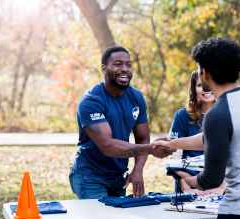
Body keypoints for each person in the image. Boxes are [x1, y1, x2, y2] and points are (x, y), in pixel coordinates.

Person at [154, 37, 240, 219]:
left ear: (204, 73)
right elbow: (210, 138)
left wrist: (187, 180)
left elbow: (211, 178)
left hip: (238, 215)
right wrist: (171, 144)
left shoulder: (217, 114)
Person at [69, 45, 175, 203]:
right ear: (104, 69)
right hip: (90, 177)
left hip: (119, 177)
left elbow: (142, 137)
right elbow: (107, 145)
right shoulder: (91, 101)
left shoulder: (136, 97)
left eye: (128, 64)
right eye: (118, 64)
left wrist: (137, 169)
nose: (125, 69)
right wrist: (151, 149)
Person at [169, 69, 225, 219]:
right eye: (201, 85)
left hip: (218, 187)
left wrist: (220, 188)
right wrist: (186, 187)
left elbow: (233, 158)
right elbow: (175, 156)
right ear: (194, 89)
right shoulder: (182, 116)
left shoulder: (226, 115)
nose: (206, 90)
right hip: (187, 184)